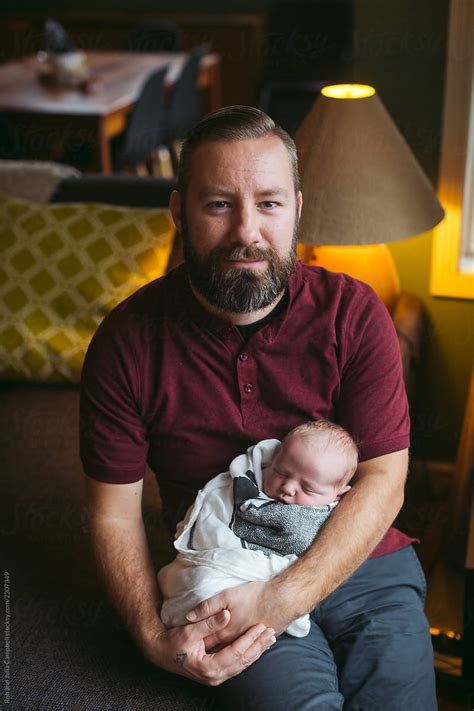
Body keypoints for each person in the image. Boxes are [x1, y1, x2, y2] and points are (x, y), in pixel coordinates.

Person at [80, 105, 436, 709]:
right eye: (219, 204)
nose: (247, 231)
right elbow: (113, 515)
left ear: (297, 207)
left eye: (269, 204)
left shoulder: (355, 314)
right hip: (225, 572)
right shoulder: (127, 341)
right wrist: (149, 636)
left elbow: (385, 476)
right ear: (179, 214)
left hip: (361, 558)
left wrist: (279, 599)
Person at [159, 420, 357, 638]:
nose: (288, 488)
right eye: (281, 472)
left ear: (338, 494)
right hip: (223, 563)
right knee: (199, 583)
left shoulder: (331, 518)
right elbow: (213, 519)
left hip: (286, 587)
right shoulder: (245, 485)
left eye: (308, 488)